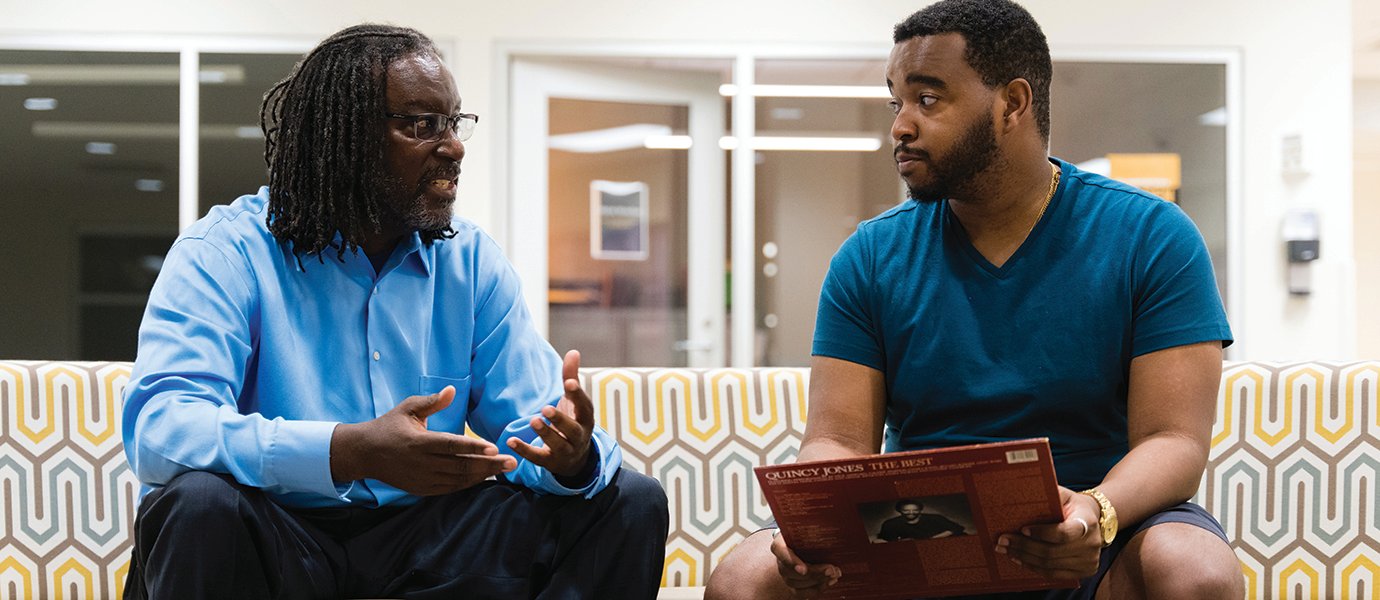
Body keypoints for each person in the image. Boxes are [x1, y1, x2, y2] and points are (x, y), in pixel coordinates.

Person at [705, 1, 1243, 598]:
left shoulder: (1152, 236)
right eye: (896, 101)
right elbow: (836, 439)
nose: (901, 125)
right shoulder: (869, 256)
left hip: (1098, 526)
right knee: (743, 579)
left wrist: (1097, 510)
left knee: (1196, 570)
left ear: (1011, 104)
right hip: (920, 528)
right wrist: (812, 522)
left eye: (927, 99)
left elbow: (1174, 441)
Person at [121, 24, 668, 599]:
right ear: (344, 138)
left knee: (629, 501)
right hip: (277, 535)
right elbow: (163, 430)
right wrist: (348, 450)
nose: (452, 146)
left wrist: (571, 457)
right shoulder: (225, 252)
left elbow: (531, 426)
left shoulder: (471, 262)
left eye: (453, 123)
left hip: (425, 544)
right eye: (420, 125)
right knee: (198, 505)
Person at [875, 500, 966, 542]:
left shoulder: (935, 518)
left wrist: (932, 539)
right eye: (906, 510)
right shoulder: (890, 523)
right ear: (899, 511)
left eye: (915, 510)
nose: (911, 512)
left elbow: (957, 528)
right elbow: (884, 539)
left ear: (920, 510)